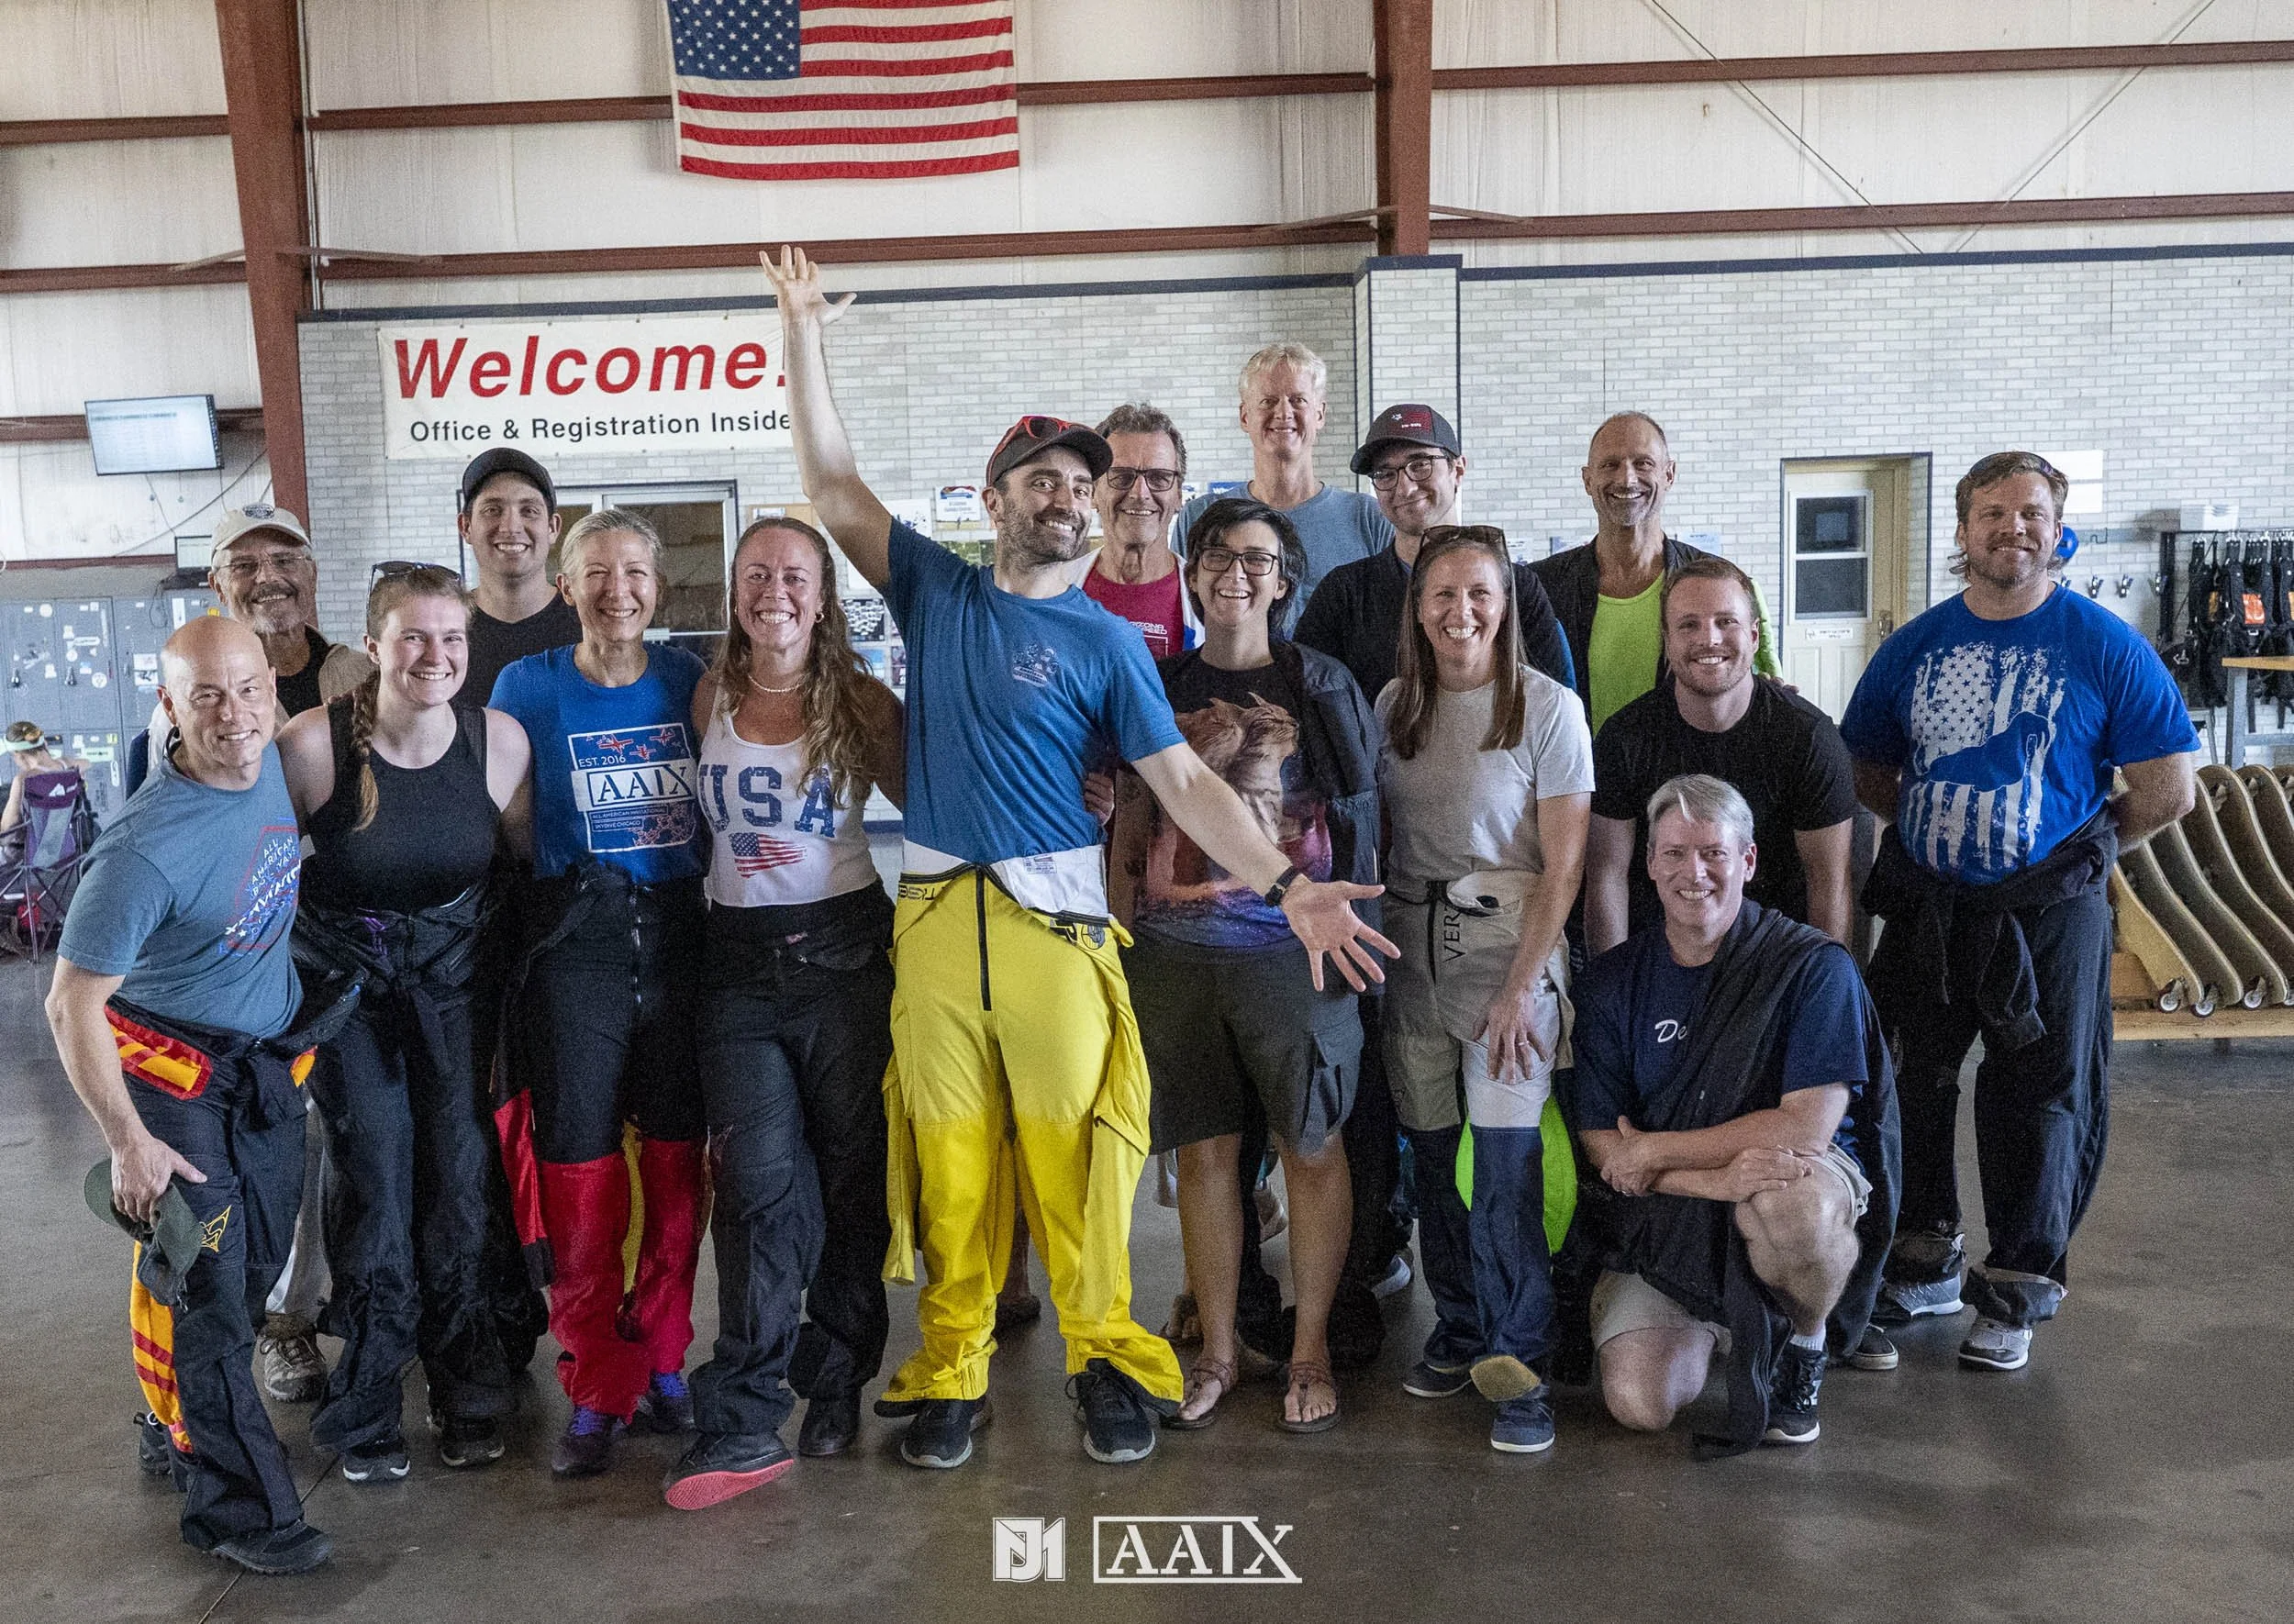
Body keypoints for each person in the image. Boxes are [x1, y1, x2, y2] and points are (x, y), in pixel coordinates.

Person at [769, 244, 1392, 1472]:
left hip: (1057, 930)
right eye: (1042, 479)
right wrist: (802, 330)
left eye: (1081, 482)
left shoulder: (1111, 646)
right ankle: (950, 1367)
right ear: (997, 499)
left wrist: (1287, 882)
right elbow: (832, 481)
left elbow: (1187, 786)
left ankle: (1104, 1357)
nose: (1066, 494)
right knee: (951, 1158)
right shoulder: (938, 591)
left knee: (1083, 1156)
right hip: (940, 927)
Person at [1843, 451, 2198, 1372]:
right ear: (1961, 532)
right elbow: (1869, 770)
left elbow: (2167, 789)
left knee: (2039, 1095)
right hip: (1930, 906)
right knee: (1910, 1078)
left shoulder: (2104, 644)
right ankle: (1923, 1254)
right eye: (1992, 513)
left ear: (2057, 526)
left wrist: (2072, 852)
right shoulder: (1913, 648)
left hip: (2049, 913)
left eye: (2031, 512)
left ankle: (2016, 1286)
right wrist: (1947, 834)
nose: (2013, 528)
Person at [45, 617, 334, 1574]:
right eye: (206, 695)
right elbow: (67, 1005)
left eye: (249, 687)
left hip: (261, 1070)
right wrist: (128, 1144)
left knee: (245, 1282)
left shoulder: (271, 764)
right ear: (167, 705)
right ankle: (243, 1511)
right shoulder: (140, 849)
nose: (235, 714)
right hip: (172, 1081)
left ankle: (171, 1416)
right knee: (212, 1291)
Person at [1108, 496, 1377, 1434]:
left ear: (1283, 578)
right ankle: (1219, 1349)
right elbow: (1132, 820)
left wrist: (1355, 955)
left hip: (1294, 956)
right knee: (1204, 1154)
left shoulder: (1321, 684)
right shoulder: (1154, 681)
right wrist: (1116, 938)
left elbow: (1360, 809)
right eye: (1217, 556)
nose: (1235, 573)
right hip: (1173, 958)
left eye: (1256, 559)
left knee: (1310, 1148)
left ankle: (1309, 1349)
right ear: (1190, 573)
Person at [662, 516, 906, 1509]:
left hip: (847, 956)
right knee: (757, 1185)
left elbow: (939, 807)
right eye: (757, 573)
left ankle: (838, 1374)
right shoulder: (708, 692)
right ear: (733, 589)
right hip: (736, 967)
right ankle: (745, 1413)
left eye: (794, 575)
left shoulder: (859, 701)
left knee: (851, 1178)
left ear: (823, 592)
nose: (776, 591)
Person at [273, 565, 533, 1482]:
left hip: (455, 992)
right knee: (378, 1181)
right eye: (415, 638)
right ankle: (371, 1396)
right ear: (375, 647)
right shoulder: (312, 745)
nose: (436, 656)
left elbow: (523, 875)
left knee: (460, 1182)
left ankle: (466, 1388)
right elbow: (260, 882)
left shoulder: (496, 742)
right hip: (350, 999)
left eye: (452, 638)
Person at [1571, 775, 1896, 1451]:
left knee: (1786, 1206)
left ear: (1748, 862)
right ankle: (1727, 1323)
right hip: (1676, 1214)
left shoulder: (1811, 968)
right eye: (1675, 853)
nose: (1695, 873)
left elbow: (1805, 1128)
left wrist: (1656, 1152)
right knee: (1639, 1403)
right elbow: (1602, 1139)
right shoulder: (1610, 982)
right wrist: (1711, 1180)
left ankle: (1803, 1343)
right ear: (1650, 864)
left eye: (1715, 853)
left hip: (1794, 1173)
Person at [487, 509, 709, 1477]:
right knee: (579, 1176)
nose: (617, 589)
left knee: (673, 1169)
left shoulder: (690, 681)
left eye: (634, 572)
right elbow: (494, 813)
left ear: (657, 588)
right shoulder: (523, 686)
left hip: (679, 947)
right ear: (567, 587)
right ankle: (594, 1381)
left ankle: (662, 1359)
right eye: (596, 573)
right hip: (574, 954)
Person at [145, 504, 370, 1406]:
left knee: (368, 1147)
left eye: (286, 558)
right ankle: (279, 1327)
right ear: (216, 582)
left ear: (312, 572)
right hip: (248, 972)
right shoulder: (192, 687)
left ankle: (365, 1305)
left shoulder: (355, 671)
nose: (269, 576)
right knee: (289, 1147)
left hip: (361, 950)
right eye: (246, 563)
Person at [1375, 526, 1592, 1453]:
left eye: (1479, 594)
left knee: (1502, 1173)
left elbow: (1565, 865)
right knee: (1430, 1163)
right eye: (1441, 595)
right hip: (1407, 956)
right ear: (1417, 609)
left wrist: (1520, 988)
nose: (1459, 612)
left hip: (1506, 952)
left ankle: (1519, 1363)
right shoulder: (1394, 706)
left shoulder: (1546, 708)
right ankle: (1459, 1325)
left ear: (1504, 606)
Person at [1585, 555, 1856, 953]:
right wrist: (1613, 998)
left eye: (1725, 622)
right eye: (1688, 625)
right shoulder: (1625, 740)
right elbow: (1607, 877)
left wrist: (1825, 992)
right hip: (1658, 958)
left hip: (1774, 960)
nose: (1708, 639)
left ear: (1754, 636)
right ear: (1667, 640)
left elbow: (1829, 882)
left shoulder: (1808, 738)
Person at [1297, 403, 1574, 697]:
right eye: (1385, 473)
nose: (1404, 488)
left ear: (1458, 470)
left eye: (1420, 465)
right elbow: (1309, 700)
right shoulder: (1344, 594)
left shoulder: (1517, 588)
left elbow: (1555, 703)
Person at [1530, 413, 1776, 739]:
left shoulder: (1724, 588)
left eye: (1643, 463)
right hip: (1575, 783)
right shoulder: (1540, 589)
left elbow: (1764, 695)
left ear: (1669, 473)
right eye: (1610, 465)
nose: (1627, 479)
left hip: (1685, 781)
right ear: (1587, 480)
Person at [1173, 342, 1391, 599]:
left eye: (1298, 400)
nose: (1284, 412)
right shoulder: (1199, 517)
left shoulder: (1370, 519)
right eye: (1268, 401)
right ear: (1244, 417)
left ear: (1320, 414)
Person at [1066, 404, 1197, 658]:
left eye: (1159, 478)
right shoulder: (1058, 587)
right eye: (1121, 476)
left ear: (1179, 494)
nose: (1140, 494)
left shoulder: (1207, 598)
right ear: (1094, 491)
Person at [459, 449, 583, 704]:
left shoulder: (588, 626)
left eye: (529, 511)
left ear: (553, 528)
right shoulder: (442, 633)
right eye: (493, 510)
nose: (511, 527)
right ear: (466, 527)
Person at [3, 718, 92, 846]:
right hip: (68, 850)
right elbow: (87, 763)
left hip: (35, 855)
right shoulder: (66, 765)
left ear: (18, 755)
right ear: (44, 743)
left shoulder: (22, 780)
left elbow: (7, 832)